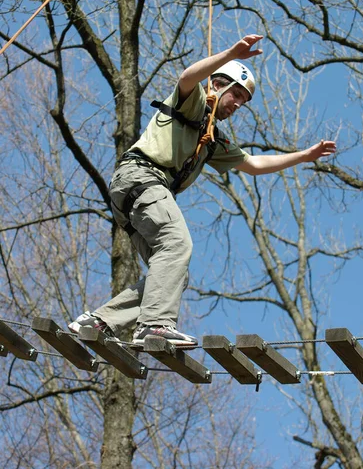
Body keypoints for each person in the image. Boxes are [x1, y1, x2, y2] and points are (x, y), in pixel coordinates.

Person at [69, 34, 336, 348]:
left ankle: (99, 321)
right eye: (235, 94)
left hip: (133, 201)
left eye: (243, 101)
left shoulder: (212, 139)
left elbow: (254, 164)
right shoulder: (194, 102)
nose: (237, 104)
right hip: (140, 178)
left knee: (173, 276)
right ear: (218, 85)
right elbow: (187, 77)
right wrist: (230, 53)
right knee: (176, 243)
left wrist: (304, 156)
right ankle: (154, 326)